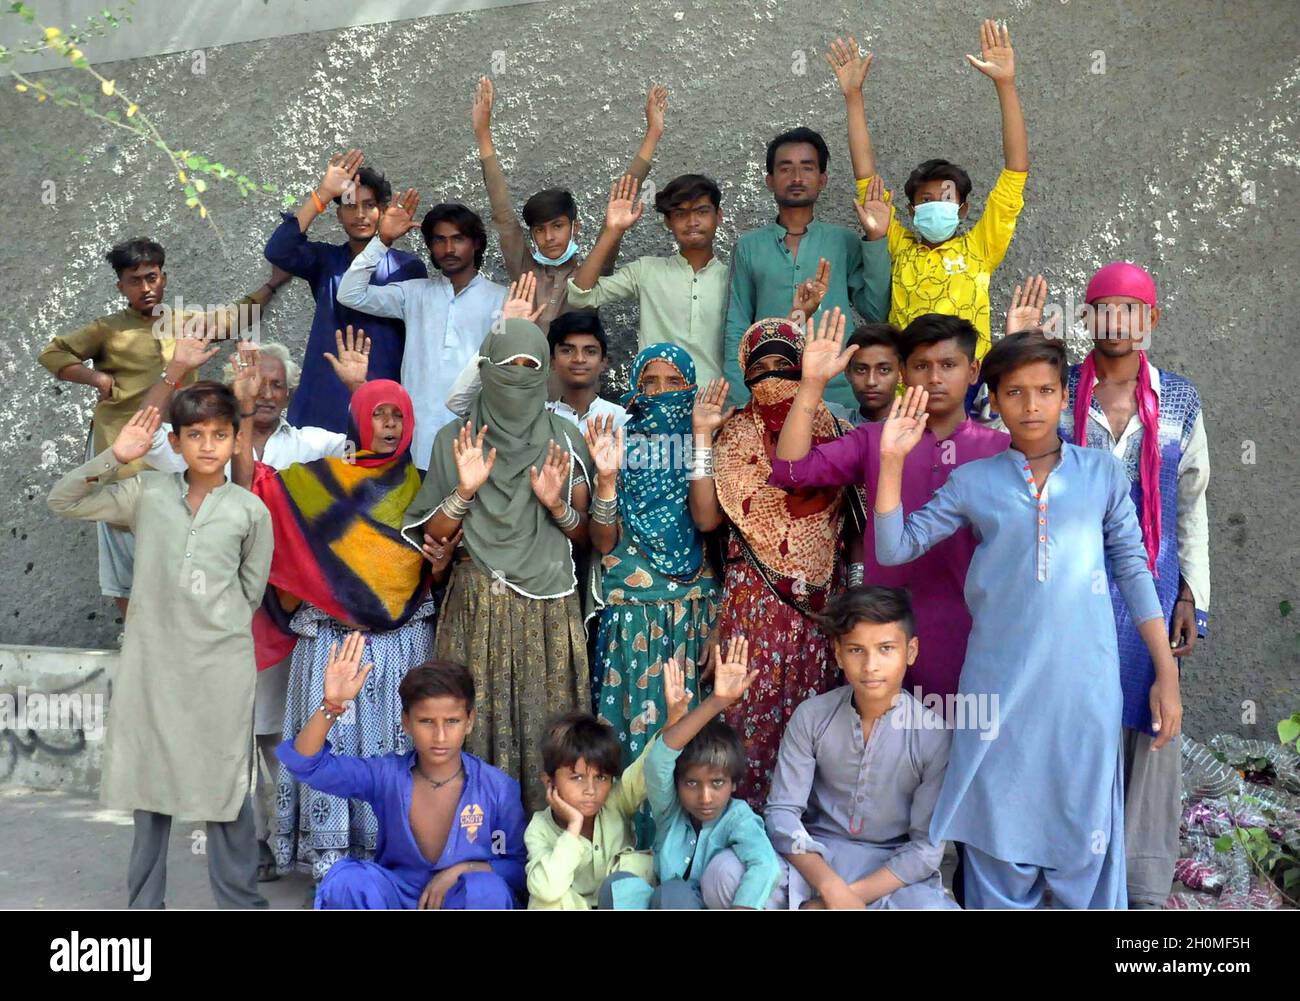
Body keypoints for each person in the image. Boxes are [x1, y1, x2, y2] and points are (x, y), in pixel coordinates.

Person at [874, 334, 1183, 909]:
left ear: (1065, 396)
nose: (1032, 405)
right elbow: (895, 548)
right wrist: (891, 460)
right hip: (998, 685)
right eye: (1015, 392)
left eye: (1045, 390)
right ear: (993, 398)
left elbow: (1136, 574)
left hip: (1084, 685)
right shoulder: (974, 481)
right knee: (998, 820)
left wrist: (1165, 672)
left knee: (1083, 821)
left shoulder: (1100, 476)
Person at [229, 350, 455, 881]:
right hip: (329, 646)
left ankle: (395, 865)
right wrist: (240, 412)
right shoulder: (317, 482)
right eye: (378, 413)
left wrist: (439, 569)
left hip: (401, 649)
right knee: (327, 750)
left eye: (398, 416)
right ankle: (331, 872)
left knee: (397, 756)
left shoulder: (422, 488)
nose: (388, 425)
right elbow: (250, 487)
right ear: (358, 419)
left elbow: (431, 573)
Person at [144, 333, 362, 879]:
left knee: (273, 734)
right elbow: (143, 442)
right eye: (255, 383)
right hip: (209, 613)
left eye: (276, 385)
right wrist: (177, 374)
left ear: (289, 394)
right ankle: (238, 848)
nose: (266, 393)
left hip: (280, 618)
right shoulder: (203, 443)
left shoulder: (315, 444)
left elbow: (375, 456)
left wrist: (359, 390)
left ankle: (278, 839)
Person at [47, 386, 272, 908]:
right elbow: (63, 501)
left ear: (236, 438)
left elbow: (250, 590)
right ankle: (145, 905)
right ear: (175, 440)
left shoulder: (248, 510)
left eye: (220, 435)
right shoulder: (146, 492)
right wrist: (116, 456)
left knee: (226, 789)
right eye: (195, 435)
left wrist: (212, 628)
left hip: (220, 671)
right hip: (154, 669)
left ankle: (240, 902)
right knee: (151, 792)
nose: (208, 446)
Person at [1062, 263, 1210, 909]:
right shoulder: (1056, 392)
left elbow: (1192, 505)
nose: (1117, 321)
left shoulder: (1178, 400)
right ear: (1086, 318)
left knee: (1152, 725)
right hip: (1067, 597)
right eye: (1104, 308)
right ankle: (1072, 875)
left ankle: (1140, 891)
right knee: (1073, 729)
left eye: (1132, 309)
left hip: (1150, 594)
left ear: (1151, 321)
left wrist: (1190, 596)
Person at [401, 319, 594, 812]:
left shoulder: (565, 438)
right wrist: (464, 491)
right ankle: (471, 839)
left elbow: (587, 535)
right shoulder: (457, 438)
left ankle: (550, 843)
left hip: (547, 605)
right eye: (508, 367)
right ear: (486, 369)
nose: (519, 378)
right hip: (476, 602)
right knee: (474, 722)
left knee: (545, 724)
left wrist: (555, 507)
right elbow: (434, 536)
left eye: (531, 368)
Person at [770, 313, 1009, 701]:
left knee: (961, 753)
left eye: (948, 365)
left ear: (973, 371)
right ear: (903, 372)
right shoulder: (873, 440)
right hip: (883, 636)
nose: (934, 378)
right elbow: (791, 469)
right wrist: (812, 384)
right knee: (879, 752)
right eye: (921, 366)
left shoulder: (1000, 451)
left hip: (971, 634)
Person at [38, 237, 280, 616]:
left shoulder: (187, 324)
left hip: (177, 455)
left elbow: (236, 317)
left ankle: (175, 635)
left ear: (164, 278)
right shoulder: (108, 330)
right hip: (123, 455)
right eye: (135, 280)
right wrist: (94, 379)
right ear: (121, 286)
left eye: (152, 277)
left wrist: (272, 284)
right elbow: (52, 354)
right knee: (125, 553)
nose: (146, 288)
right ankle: (134, 636)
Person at [688, 314, 851, 808]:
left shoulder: (839, 430)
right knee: (747, 718)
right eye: (762, 366)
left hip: (820, 613)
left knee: (812, 725)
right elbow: (706, 519)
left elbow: (856, 528)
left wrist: (855, 595)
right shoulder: (733, 435)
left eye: (786, 363)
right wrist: (701, 438)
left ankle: (806, 842)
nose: (773, 375)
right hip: (753, 606)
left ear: (806, 367)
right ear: (746, 373)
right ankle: (745, 840)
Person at [714, 586, 956, 909]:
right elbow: (782, 814)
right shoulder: (813, 716)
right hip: (814, 857)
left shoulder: (932, 734)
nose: (870, 665)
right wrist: (829, 888)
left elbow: (926, 848)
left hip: (887, 870)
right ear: (838, 653)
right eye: (857, 650)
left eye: (886, 649)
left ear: (910, 651)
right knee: (723, 873)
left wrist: (847, 898)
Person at [587, 344, 722, 843]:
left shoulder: (708, 439)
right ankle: (629, 852)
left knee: (693, 739)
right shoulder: (620, 442)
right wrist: (605, 479)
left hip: (692, 615)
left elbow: (709, 523)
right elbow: (603, 543)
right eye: (649, 383)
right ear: (635, 389)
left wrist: (703, 436)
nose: (661, 393)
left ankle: (695, 853)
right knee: (634, 734)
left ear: (691, 387)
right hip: (633, 615)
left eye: (673, 383)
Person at [279, 641, 527, 909]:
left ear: (469, 721)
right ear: (406, 723)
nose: (440, 736)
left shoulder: (498, 788)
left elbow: (519, 868)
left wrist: (463, 870)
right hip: (395, 895)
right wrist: (332, 704)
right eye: (426, 722)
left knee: (486, 890)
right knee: (348, 881)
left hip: (460, 898)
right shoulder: (386, 775)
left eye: (452, 721)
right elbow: (306, 764)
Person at [838, 21, 1029, 365]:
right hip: (905, 397)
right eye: (925, 201)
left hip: (969, 400)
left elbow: (1015, 171)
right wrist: (853, 97)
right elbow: (866, 176)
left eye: (945, 198)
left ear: (963, 208)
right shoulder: (899, 247)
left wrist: (1006, 84)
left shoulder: (980, 248)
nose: (936, 206)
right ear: (910, 212)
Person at [471, 76, 665, 332]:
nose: (549, 237)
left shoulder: (594, 270)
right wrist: (483, 134)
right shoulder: (525, 272)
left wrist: (653, 134)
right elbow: (503, 214)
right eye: (539, 229)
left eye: (558, 225)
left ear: (576, 227)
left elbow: (624, 198)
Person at [723, 126, 890, 412]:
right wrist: (741, 399)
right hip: (768, 393)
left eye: (807, 168)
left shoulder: (844, 242)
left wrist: (876, 239)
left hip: (838, 396)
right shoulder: (749, 247)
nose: (797, 178)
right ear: (769, 180)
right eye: (785, 168)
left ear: (822, 179)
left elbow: (876, 311)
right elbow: (737, 325)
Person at [337, 191, 506, 469]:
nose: (448, 248)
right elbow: (350, 294)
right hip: (415, 443)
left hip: (472, 445)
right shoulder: (414, 294)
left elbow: (501, 368)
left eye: (458, 239)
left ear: (476, 243)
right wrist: (383, 240)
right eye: (439, 240)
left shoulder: (501, 300)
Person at [263, 150, 428, 432]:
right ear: (339, 215)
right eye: (351, 206)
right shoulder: (325, 261)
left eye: (369, 205)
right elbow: (279, 250)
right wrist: (323, 194)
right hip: (323, 398)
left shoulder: (408, 268)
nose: (360, 214)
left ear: (383, 210)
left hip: (380, 402)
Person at [607, 643, 781, 909]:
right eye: (691, 783)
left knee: (673, 894)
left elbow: (764, 863)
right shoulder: (669, 810)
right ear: (676, 784)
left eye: (717, 783)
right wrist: (717, 702)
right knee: (617, 887)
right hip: (663, 899)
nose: (705, 796)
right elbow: (659, 760)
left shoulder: (738, 817)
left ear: (733, 782)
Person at [567, 172, 728, 384]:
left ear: (719, 216)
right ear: (668, 222)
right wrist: (612, 231)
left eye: (701, 211)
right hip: (654, 404)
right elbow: (581, 295)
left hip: (715, 406)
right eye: (680, 213)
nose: (692, 221)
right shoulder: (647, 271)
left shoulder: (734, 279)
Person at [525, 710, 680, 910]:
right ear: (550, 782)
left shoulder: (615, 801)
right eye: (577, 777)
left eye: (601, 777)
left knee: (633, 874)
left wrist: (673, 723)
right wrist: (574, 826)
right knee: (544, 898)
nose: (591, 790)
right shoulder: (539, 829)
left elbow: (647, 767)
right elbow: (547, 890)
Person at [841, 323, 903, 427]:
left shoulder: (920, 428)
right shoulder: (832, 421)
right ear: (848, 372)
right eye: (861, 370)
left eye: (884, 370)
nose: (871, 381)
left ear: (901, 373)